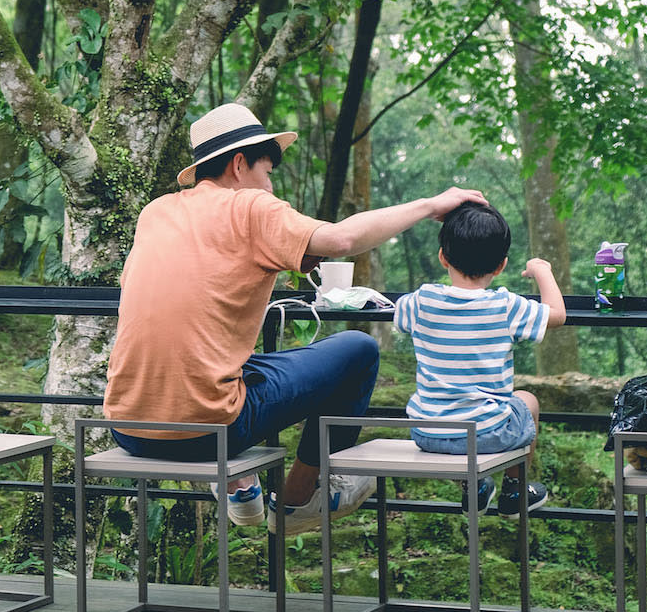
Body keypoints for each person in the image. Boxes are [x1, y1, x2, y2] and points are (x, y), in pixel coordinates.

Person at [103, 101, 487, 536]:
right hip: (206, 432)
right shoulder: (251, 207)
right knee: (358, 351)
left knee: (224, 363)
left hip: (126, 425)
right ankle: (299, 499)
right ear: (239, 163)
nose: (269, 188)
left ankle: (239, 484)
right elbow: (341, 238)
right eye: (267, 173)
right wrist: (430, 205)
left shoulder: (156, 212)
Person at [393, 200, 567, 515]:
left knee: (464, 418)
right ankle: (515, 490)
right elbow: (557, 315)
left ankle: (476, 488)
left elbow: (398, 314)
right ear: (501, 265)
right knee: (527, 400)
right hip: (485, 434)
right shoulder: (505, 306)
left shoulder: (421, 300)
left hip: (426, 432)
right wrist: (543, 271)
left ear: (442, 256)